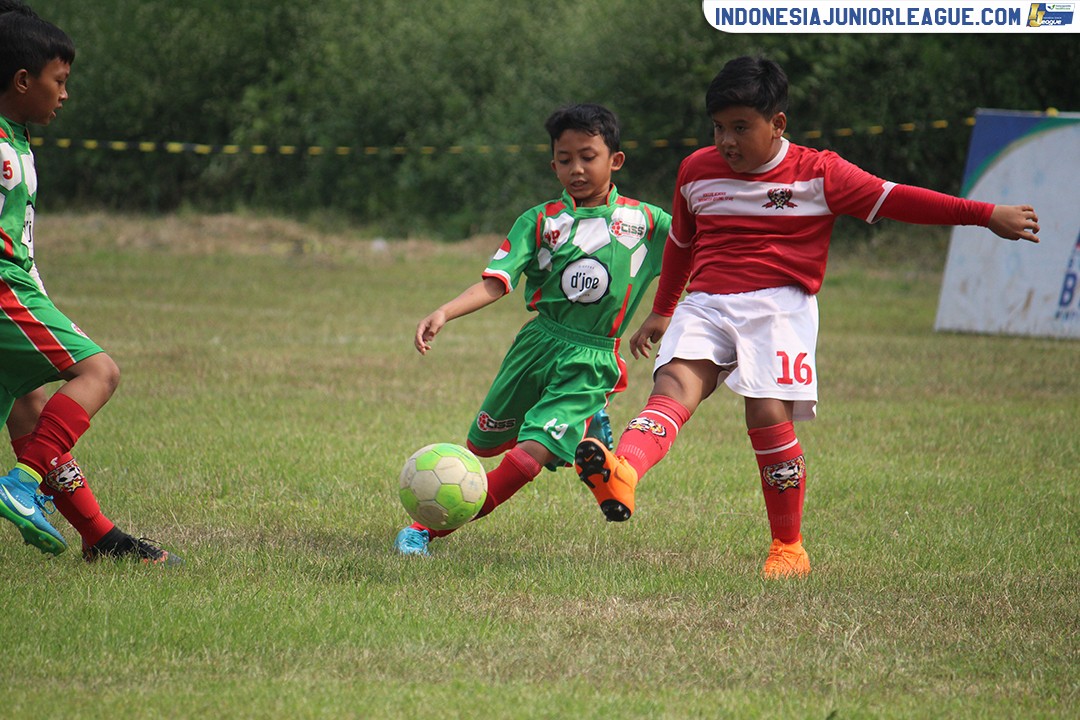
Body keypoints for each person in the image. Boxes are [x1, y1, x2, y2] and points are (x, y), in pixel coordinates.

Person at [574, 56, 1040, 578]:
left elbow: (898, 199)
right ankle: (623, 471)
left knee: (767, 414)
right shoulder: (696, 171)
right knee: (674, 384)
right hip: (706, 300)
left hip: (779, 305)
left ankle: (788, 547)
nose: (727, 141)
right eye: (719, 128)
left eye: (741, 128)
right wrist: (663, 311)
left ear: (778, 125)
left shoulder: (821, 173)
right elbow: (682, 243)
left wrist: (984, 215)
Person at [395, 103, 672, 555]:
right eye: (565, 160)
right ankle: (589, 434)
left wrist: (662, 313)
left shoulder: (647, 223)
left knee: (527, 456)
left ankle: (423, 531)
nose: (576, 169)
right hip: (538, 346)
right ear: (553, 164)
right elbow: (496, 282)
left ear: (615, 160)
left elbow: (695, 257)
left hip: (592, 358)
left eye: (588, 156)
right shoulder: (540, 221)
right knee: (478, 446)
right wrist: (444, 311)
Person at [0, 3, 181, 565]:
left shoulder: (17, 140)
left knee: (31, 406)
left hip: (19, 286)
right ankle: (23, 483)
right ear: (23, 79)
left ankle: (101, 537)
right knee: (99, 371)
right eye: (60, 81)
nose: (65, 93)